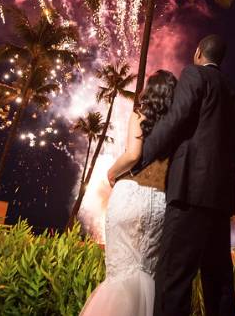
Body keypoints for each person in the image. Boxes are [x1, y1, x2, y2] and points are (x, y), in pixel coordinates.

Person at [135, 35, 235, 316]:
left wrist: (140, 156)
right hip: (220, 198)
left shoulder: (194, 75)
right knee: (219, 281)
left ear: (198, 52)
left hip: (189, 193)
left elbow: (176, 120)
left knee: (173, 278)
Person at [80, 70, 178, 316]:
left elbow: (133, 155)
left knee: (120, 273)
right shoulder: (177, 124)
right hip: (160, 201)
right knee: (146, 271)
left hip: (130, 194)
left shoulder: (140, 114)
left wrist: (111, 173)